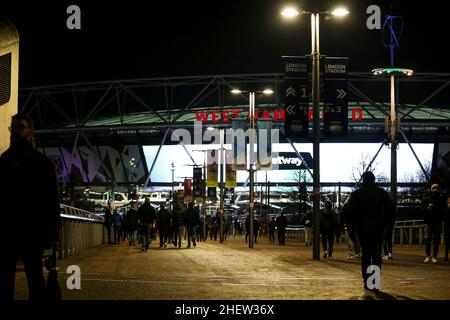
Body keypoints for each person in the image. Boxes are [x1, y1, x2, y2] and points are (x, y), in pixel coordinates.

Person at [0, 113, 61, 300]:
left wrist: (54, 236)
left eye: (20, 127)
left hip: (31, 231)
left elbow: (51, 202)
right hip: (11, 231)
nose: (15, 132)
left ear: (30, 131)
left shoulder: (41, 164)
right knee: (12, 280)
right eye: (13, 127)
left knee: (34, 279)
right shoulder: (4, 161)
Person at [344, 171, 395, 291]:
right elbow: (392, 211)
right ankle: (375, 282)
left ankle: (367, 281)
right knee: (377, 255)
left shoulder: (357, 194)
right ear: (374, 179)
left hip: (363, 229)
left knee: (366, 255)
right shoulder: (382, 193)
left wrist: (352, 229)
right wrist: (388, 227)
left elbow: (348, 211)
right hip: (378, 229)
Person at [421, 184, 446, 263]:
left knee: (436, 240)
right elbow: (421, 209)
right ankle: (428, 256)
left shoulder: (441, 199)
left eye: (437, 188)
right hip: (428, 222)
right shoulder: (426, 199)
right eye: (434, 188)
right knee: (427, 239)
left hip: (437, 222)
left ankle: (434, 256)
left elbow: (444, 210)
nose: (435, 189)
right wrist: (427, 208)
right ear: (431, 189)